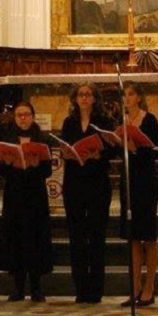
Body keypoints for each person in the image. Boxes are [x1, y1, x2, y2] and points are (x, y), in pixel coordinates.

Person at [60, 83, 116, 304]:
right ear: (75, 99)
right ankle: (80, 287)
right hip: (74, 184)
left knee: (96, 237)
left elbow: (112, 150)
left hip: (97, 184)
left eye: (88, 95)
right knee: (76, 237)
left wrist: (97, 154)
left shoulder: (104, 122)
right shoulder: (69, 122)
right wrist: (70, 154)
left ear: (95, 98)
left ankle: (96, 289)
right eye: (80, 95)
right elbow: (66, 148)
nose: (84, 98)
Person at [0, 101, 54, 302]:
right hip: (14, 195)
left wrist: (36, 164)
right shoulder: (8, 138)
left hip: (35, 195)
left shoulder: (42, 138)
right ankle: (18, 288)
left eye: (26, 114)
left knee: (36, 238)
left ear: (33, 116)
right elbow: (0, 170)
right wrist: (8, 163)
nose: (23, 118)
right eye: (19, 115)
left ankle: (36, 288)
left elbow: (47, 171)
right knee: (16, 239)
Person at [117, 83, 158, 307]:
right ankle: (134, 287)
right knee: (133, 237)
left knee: (148, 236)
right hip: (128, 181)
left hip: (145, 181)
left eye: (131, 94)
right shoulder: (122, 122)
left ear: (139, 97)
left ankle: (149, 286)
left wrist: (135, 147)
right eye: (124, 95)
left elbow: (154, 149)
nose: (127, 98)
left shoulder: (149, 119)